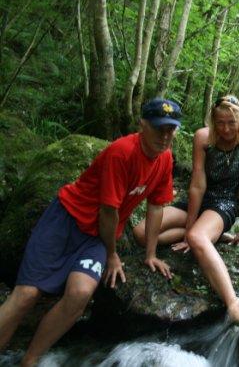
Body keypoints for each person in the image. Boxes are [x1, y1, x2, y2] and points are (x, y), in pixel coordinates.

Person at [0, 98, 181, 366]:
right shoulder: (122, 152)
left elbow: (156, 207)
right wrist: (112, 255)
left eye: (170, 129)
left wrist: (151, 254)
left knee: (80, 293)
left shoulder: (165, 159)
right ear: (142, 125)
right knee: (26, 295)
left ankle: (30, 359)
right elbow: (108, 211)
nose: (164, 136)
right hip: (66, 221)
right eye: (158, 128)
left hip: (97, 237)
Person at [133, 95, 239, 322]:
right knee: (141, 233)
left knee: (196, 237)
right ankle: (210, 235)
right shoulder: (203, 137)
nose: (225, 129)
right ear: (213, 120)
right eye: (220, 122)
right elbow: (197, 185)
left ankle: (233, 303)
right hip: (198, 200)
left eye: (231, 123)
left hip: (224, 203)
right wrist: (190, 227)